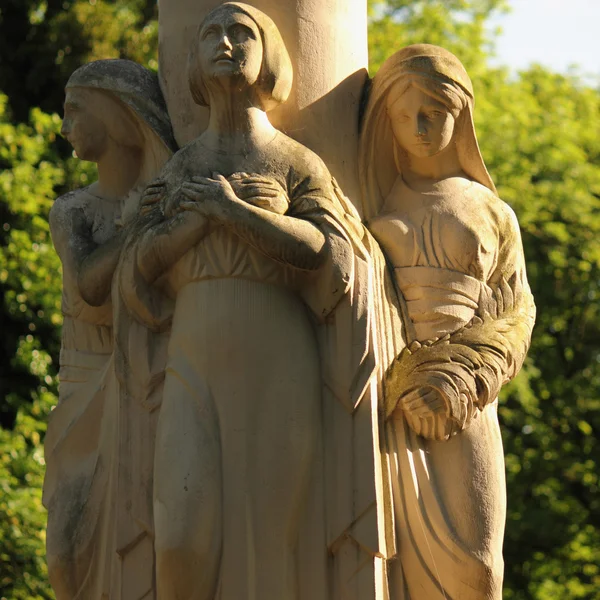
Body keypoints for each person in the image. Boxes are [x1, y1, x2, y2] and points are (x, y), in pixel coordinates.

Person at [117, 3, 388, 598]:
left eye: (243, 33)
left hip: (278, 350)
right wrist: (201, 220)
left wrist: (233, 213)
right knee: (181, 540)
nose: (226, 43)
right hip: (192, 353)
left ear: (271, 56)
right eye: (212, 33)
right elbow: (138, 266)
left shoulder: (293, 161)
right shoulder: (184, 164)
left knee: (270, 537)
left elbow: (331, 252)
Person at [359, 44, 536, 599]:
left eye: (434, 111)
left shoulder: (490, 209)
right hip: (381, 401)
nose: (419, 124)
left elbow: (516, 314)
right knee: (393, 566)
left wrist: (456, 380)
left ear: (460, 114)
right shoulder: (369, 198)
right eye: (404, 112)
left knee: (478, 568)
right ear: (385, 117)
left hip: (465, 402)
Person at [43, 59, 176, 600]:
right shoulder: (73, 211)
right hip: (83, 387)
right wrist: (139, 225)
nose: (64, 124)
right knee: (66, 553)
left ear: (118, 116)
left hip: (147, 382)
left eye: (76, 110)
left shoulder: (166, 204)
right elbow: (90, 286)